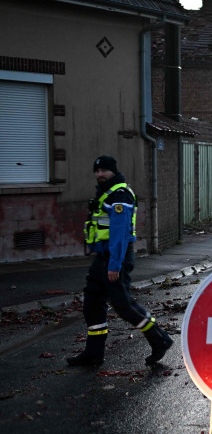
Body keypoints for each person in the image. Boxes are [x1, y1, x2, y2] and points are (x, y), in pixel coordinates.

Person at [67, 155, 173, 367]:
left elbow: (120, 233)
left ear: (113, 171)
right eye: (97, 171)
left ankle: (159, 339)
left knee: (123, 305)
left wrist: (115, 264)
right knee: (92, 303)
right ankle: (94, 353)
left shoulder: (120, 195)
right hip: (102, 257)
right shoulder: (106, 194)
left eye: (104, 170)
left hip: (116, 257)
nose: (99, 174)